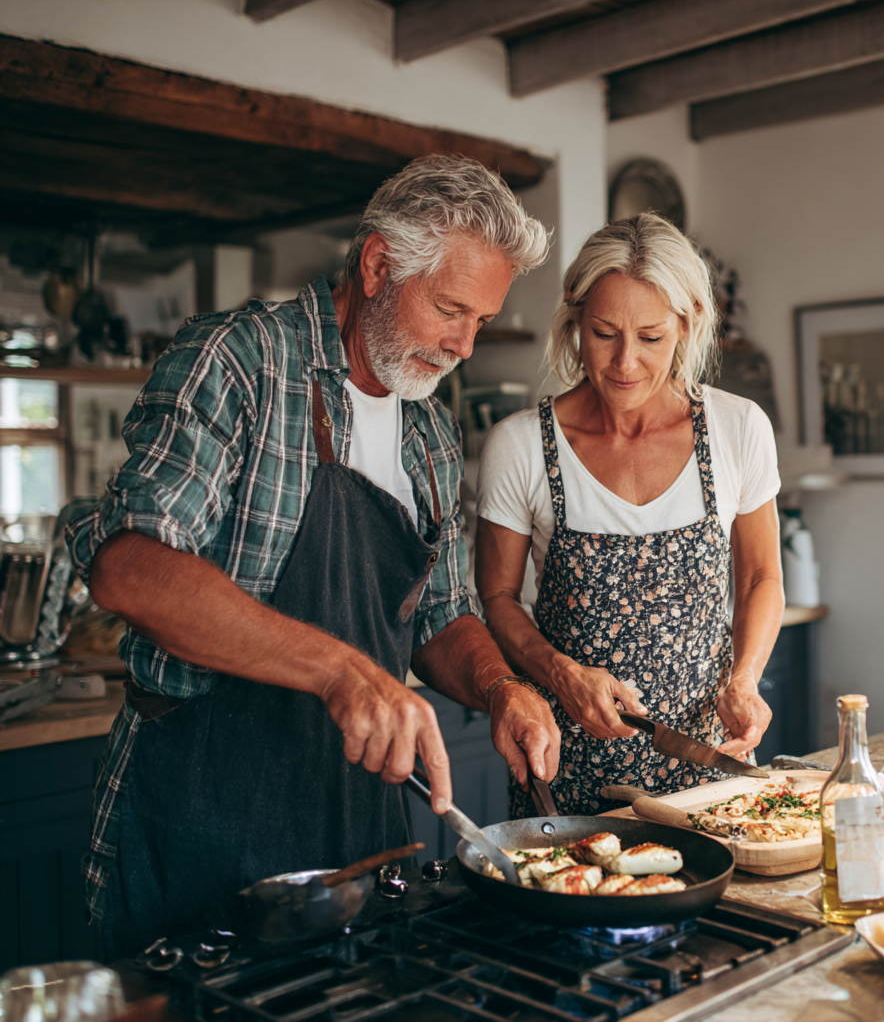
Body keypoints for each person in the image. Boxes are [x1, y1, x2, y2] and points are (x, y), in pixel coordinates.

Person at [66, 155, 561, 958]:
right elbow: (132, 568)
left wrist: (500, 685)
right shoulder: (240, 364)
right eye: (449, 309)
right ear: (376, 266)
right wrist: (340, 670)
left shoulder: (428, 431)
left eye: (480, 320)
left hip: (356, 822)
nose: (465, 345)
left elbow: (441, 616)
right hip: (206, 807)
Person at [475, 213, 782, 817]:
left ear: (686, 325)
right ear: (574, 317)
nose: (625, 363)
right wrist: (561, 673)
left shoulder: (737, 427)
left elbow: (758, 578)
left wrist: (743, 678)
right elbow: (498, 599)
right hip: (565, 769)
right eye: (604, 332)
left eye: (651, 337)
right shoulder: (520, 445)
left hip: (705, 768)